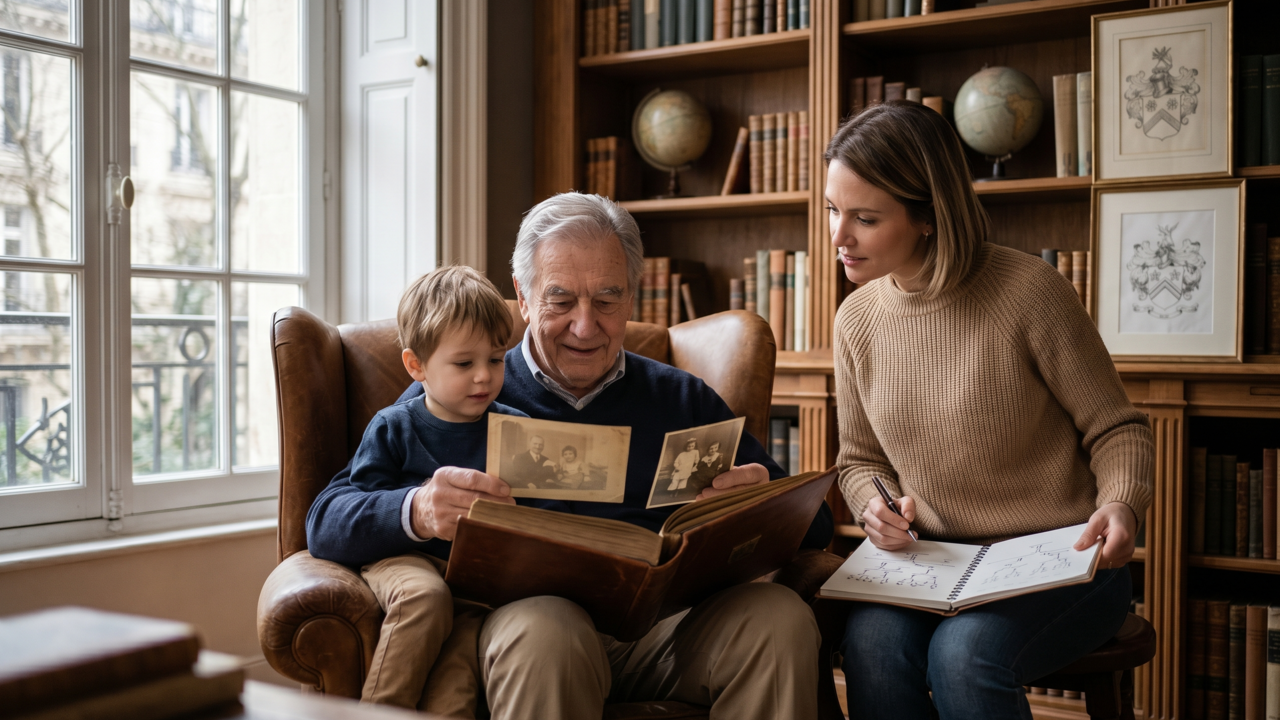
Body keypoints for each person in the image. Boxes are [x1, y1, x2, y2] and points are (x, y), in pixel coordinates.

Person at [307, 192, 833, 720]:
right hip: (535, 629)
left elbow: (816, 524)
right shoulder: (462, 390)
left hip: (667, 630)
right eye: (561, 301)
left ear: (633, 296)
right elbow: (326, 519)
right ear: (524, 294)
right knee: (547, 630)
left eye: (607, 300)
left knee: (779, 617)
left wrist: (759, 500)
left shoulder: (682, 399)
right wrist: (417, 509)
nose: (586, 326)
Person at [827, 100, 1154, 720]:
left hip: (1062, 562)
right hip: (934, 565)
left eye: (864, 218)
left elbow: (1117, 428)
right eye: (833, 211)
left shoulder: (1030, 291)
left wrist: (1121, 500)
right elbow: (859, 460)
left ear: (927, 215)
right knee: (868, 644)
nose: (839, 237)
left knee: (964, 658)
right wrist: (877, 508)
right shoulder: (857, 320)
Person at [344, 265, 526, 709]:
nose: (484, 376)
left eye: (496, 359)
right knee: (425, 599)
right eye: (465, 363)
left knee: (457, 677)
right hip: (405, 560)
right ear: (416, 365)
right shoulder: (395, 425)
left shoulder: (516, 428)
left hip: (476, 585)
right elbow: (361, 500)